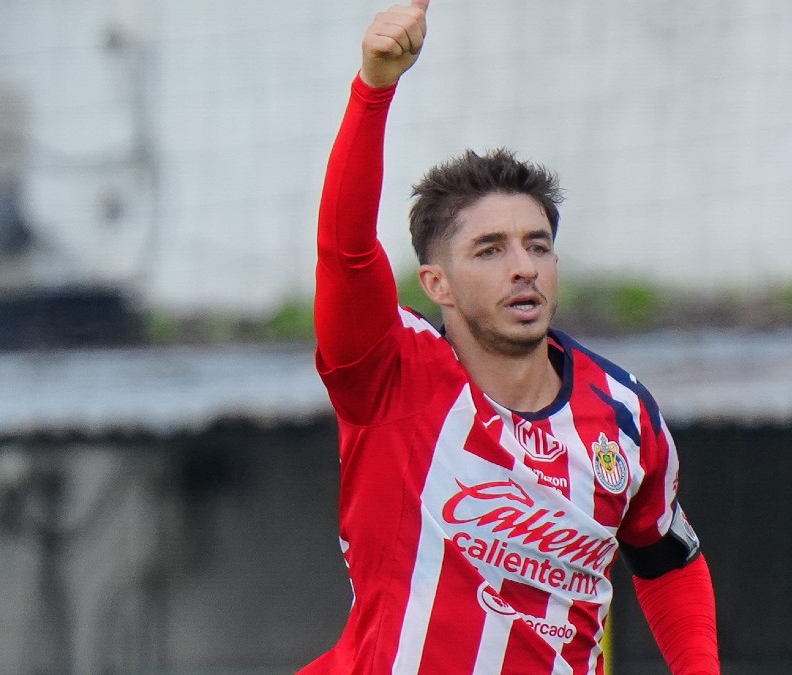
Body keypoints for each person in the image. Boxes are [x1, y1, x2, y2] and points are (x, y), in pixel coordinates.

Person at [302, 2, 719, 673]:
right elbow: (344, 251)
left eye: (538, 245)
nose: (523, 265)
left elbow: (668, 557)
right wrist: (374, 88)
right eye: (490, 249)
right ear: (436, 283)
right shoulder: (391, 372)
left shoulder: (625, 414)